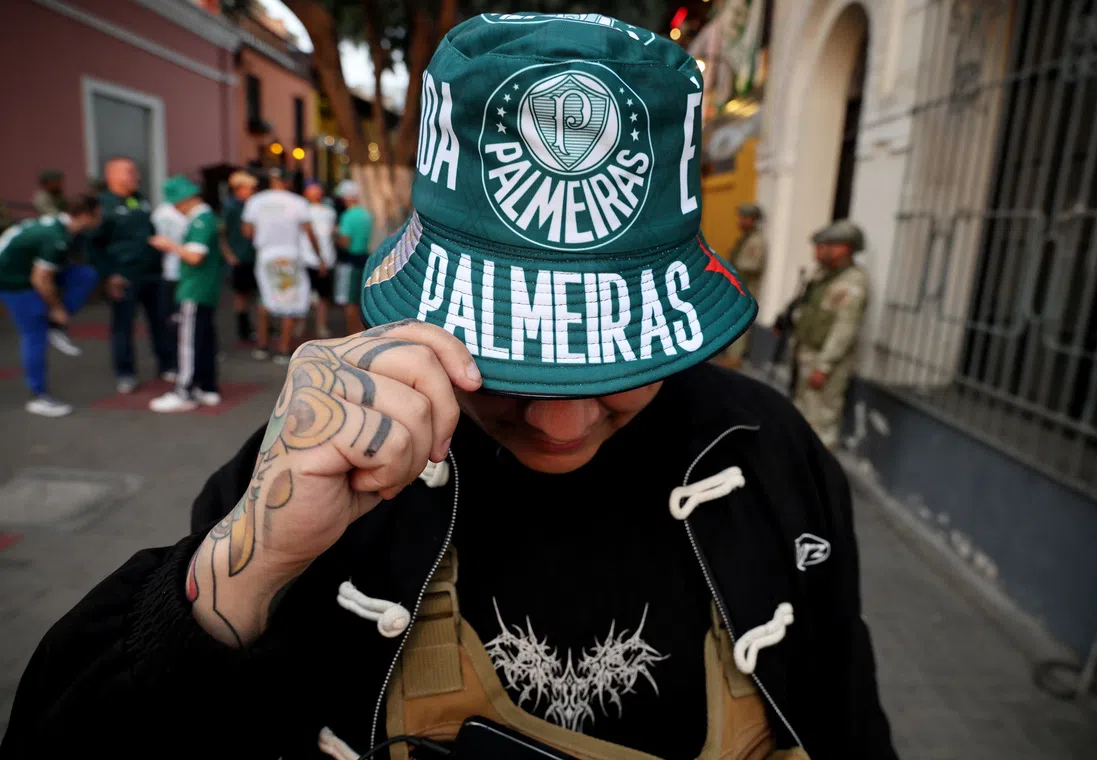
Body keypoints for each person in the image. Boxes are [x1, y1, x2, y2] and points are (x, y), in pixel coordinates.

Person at [1, 15, 896, 760]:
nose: (559, 419)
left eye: (615, 363)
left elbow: (850, 719)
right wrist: (253, 563)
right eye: (506, 361)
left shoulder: (769, 454)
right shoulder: (326, 457)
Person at [0, 195, 101, 417]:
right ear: (85, 216)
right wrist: (56, 307)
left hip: (25, 269)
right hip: (13, 281)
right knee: (34, 334)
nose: (100, 219)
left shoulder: (62, 226)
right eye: (98, 214)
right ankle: (38, 396)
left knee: (85, 275)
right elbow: (41, 280)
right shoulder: (55, 237)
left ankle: (55, 325)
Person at [89, 156, 176, 393]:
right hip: (123, 276)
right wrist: (109, 275)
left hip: (152, 274)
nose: (135, 177)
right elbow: (93, 246)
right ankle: (125, 373)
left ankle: (167, 365)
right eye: (129, 172)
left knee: (160, 322)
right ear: (112, 176)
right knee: (123, 326)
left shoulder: (140, 201)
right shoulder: (103, 205)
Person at [146, 176, 225, 413]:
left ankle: (185, 391)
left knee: (189, 342)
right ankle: (207, 386)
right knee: (203, 338)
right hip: (204, 288)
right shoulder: (207, 218)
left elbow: (194, 256)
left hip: (195, 288)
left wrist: (169, 245)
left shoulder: (200, 220)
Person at [790, 220, 870, 450]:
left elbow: (844, 329)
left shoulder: (852, 282)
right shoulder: (823, 276)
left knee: (822, 420)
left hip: (825, 361)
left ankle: (819, 469)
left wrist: (824, 366)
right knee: (802, 411)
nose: (818, 252)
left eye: (824, 246)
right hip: (807, 351)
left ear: (843, 248)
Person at [241, 168, 320, 364]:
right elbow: (310, 232)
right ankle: (284, 349)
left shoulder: (255, 201)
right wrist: (319, 257)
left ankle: (262, 345)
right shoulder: (298, 202)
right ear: (287, 182)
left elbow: (247, 232)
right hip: (290, 254)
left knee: (265, 298)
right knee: (289, 302)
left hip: (266, 255)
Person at [718, 203, 768, 369]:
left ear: (753, 220)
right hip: (737, 288)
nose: (740, 221)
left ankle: (735, 358)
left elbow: (751, 266)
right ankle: (730, 354)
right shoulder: (745, 238)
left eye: (744, 218)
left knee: (741, 322)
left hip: (746, 289)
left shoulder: (756, 241)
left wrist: (728, 268)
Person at [219, 171, 259, 343]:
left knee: (255, 293)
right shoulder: (231, 206)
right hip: (239, 257)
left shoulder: (253, 205)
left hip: (253, 255)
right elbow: (221, 233)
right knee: (241, 295)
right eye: (249, 188)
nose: (252, 191)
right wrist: (229, 255)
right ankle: (243, 328)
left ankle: (260, 326)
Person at [151, 194, 189, 357]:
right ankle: (174, 352)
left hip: (183, 271)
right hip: (173, 271)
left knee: (181, 315)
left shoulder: (189, 211)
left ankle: (181, 350)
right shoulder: (165, 213)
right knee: (173, 316)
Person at [333, 179, 372, 335]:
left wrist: (334, 235)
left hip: (349, 260)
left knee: (349, 302)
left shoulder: (348, 216)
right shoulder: (366, 214)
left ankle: (353, 336)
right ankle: (361, 333)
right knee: (359, 300)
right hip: (363, 259)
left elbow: (345, 242)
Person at [300, 180, 337, 338]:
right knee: (303, 295)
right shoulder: (302, 211)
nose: (315, 193)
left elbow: (331, 235)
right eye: (312, 190)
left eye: (317, 190)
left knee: (323, 296)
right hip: (305, 259)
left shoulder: (330, 212)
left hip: (327, 260)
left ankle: (321, 325)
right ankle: (300, 324)